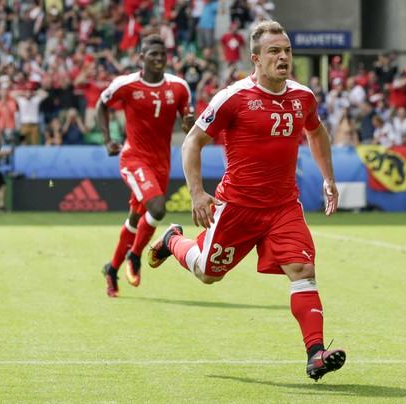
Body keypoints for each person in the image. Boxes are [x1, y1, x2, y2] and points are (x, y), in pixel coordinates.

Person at [147, 20, 346, 381]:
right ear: (256, 59)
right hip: (237, 207)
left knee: (303, 272)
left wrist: (328, 178)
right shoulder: (233, 97)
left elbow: (316, 133)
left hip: (284, 206)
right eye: (274, 51)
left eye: (286, 50)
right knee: (208, 274)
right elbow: (192, 141)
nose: (283, 57)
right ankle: (171, 240)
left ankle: (316, 354)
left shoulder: (303, 97)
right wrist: (196, 193)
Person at [96, 34, 195, 298]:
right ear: (141, 57)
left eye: (162, 54)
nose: (159, 59)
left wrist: (187, 124)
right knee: (158, 208)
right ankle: (136, 255)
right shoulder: (127, 84)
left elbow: (187, 123)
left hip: (161, 163)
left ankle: (111, 268)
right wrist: (107, 140)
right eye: (153, 54)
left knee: (134, 219)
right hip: (134, 159)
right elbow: (101, 104)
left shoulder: (179, 87)